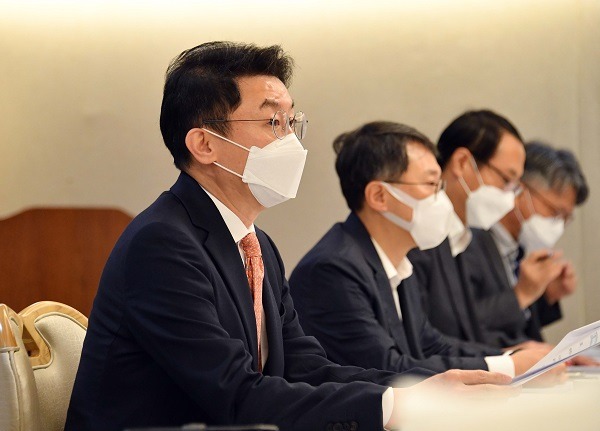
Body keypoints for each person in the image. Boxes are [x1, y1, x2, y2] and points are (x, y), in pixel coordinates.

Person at [63, 42, 510, 431]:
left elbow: (304, 367)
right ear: (204, 144)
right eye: (272, 123)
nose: (290, 141)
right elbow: (235, 394)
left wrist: (422, 389)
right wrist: (395, 407)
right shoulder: (162, 243)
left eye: (292, 121)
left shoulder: (258, 245)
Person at [289, 121, 547, 377]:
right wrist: (508, 367)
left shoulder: (399, 262)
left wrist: (509, 357)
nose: (441, 199)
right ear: (379, 196)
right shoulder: (333, 269)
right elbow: (387, 369)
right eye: (432, 185)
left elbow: (431, 343)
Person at [462, 141, 589, 343]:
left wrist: (547, 295)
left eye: (565, 218)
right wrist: (522, 294)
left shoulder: (520, 248)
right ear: (520, 189)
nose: (558, 225)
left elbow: (519, 327)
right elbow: (459, 325)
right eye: (555, 212)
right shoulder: (468, 241)